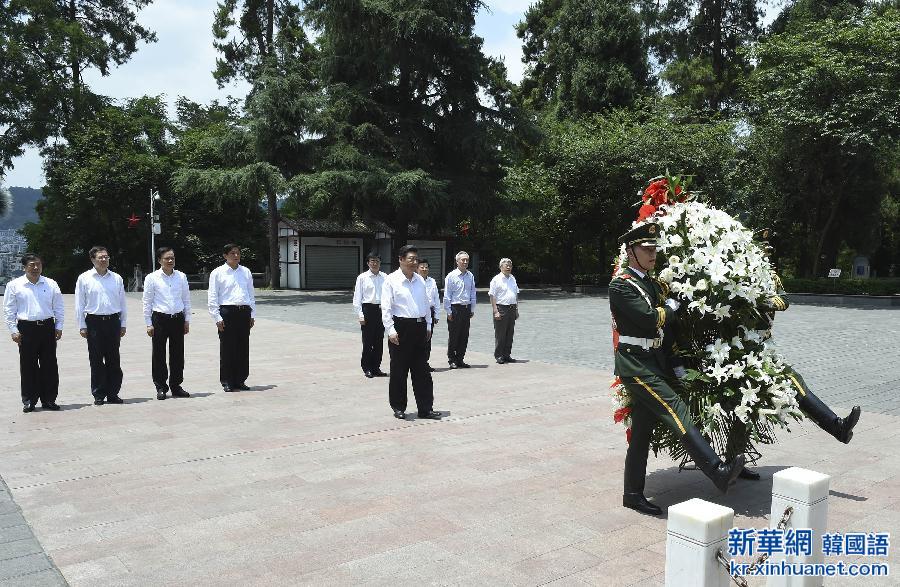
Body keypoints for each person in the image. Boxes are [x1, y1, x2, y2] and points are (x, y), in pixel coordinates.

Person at [610, 223, 744, 515]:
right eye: (646, 249)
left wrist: (676, 361)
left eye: (654, 248)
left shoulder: (650, 282)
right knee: (676, 409)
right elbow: (648, 319)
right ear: (631, 252)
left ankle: (632, 494)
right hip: (635, 365)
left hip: (653, 363)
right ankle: (717, 469)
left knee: (642, 432)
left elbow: (666, 325)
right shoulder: (621, 284)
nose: (652, 253)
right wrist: (670, 308)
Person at [729, 229, 861, 480]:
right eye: (761, 253)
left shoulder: (771, 277)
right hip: (740, 351)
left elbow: (783, 300)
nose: (765, 258)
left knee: (792, 387)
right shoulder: (739, 276)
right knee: (744, 407)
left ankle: (838, 427)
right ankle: (732, 463)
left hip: (763, 349)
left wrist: (767, 301)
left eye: (768, 254)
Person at [381, 245, 442, 421]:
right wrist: (390, 330)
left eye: (416, 259)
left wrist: (429, 325)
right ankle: (399, 407)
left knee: (422, 371)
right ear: (401, 259)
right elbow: (386, 307)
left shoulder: (420, 281)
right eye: (411, 259)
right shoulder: (391, 280)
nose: (415, 262)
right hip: (401, 328)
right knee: (399, 371)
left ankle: (425, 409)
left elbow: (426, 304)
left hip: (420, 327)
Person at [3, 253, 65, 412]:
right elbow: (9, 310)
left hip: (47, 327)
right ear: (24, 267)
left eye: (38, 264)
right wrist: (13, 330)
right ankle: (29, 400)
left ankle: (49, 399)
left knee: (49, 364)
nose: (36, 267)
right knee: (28, 366)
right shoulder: (14, 285)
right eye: (32, 264)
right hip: (26, 328)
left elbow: (58, 307)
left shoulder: (50, 284)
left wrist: (59, 326)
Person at [75, 246, 127, 405]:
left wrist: (123, 323)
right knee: (96, 360)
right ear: (92, 259)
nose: (104, 260)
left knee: (113, 359)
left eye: (106, 257)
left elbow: (122, 302)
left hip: (113, 322)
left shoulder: (116, 278)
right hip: (94, 322)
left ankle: (113, 393)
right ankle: (98, 394)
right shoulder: (84, 278)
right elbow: (79, 304)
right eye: (100, 257)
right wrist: (82, 325)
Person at [142, 246, 192, 400]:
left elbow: (186, 299)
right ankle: (161, 387)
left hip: (177, 318)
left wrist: (187, 319)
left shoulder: (181, 277)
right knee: (158, 354)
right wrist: (148, 323)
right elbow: (147, 302)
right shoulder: (152, 278)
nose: (170, 261)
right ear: (159, 260)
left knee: (178, 354)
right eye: (167, 258)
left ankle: (176, 386)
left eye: (172, 258)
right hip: (160, 319)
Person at [208, 244, 256, 392]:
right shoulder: (218, 273)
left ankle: (240, 380)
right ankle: (227, 381)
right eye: (232, 253)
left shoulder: (246, 271)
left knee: (243, 347)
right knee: (228, 348)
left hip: (244, 311)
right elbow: (212, 296)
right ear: (225, 255)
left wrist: (252, 314)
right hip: (227, 312)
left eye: (238, 253)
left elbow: (251, 294)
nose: (236, 256)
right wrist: (216, 317)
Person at [352, 252, 387, 378]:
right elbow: (357, 298)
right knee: (368, 342)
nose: (374, 263)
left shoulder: (385, 277)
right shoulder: (362, 277)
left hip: (381, 311)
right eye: (372, 261)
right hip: (368, 310)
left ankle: (376, 367)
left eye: (377, 260)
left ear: (380, 262)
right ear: (368, 263)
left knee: (379, 342)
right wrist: (360, 315)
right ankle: (366, 367)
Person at [443, 251, 476, 369]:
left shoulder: (470, 275)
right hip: (455, 308)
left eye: (467, 260)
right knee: (454, 335)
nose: (465, 262)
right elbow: (447, 295)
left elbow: (473, 292)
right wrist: (448, 311)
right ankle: (452, 359)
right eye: (463, 260)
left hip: (466, 308)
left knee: (464, 335)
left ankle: (460, 359)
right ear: (457, 261)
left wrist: (472, 308)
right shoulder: (451, 276)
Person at [489, 258, 519, 364]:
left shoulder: (512, 278)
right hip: (501, 308)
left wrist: (516, 309)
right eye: (506, 265)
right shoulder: (496, 279)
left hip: (512, 308)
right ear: (500, 267)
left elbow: (515, 295)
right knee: (500, 334)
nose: (508, 267)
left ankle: (507, 354)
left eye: (510, 266)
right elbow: (492, 296)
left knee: (510, 333)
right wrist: (495, 311)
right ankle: (499, 355)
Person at [417, 258, 440, 372]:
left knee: (428, 338)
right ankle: (417, 363)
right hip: (418, 312)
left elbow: (436, 298)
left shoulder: (432, 281)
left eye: (426, 267)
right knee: (417, 339)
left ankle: (425, 363)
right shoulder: (414, 280)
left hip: (430, 312)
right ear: (417, 268)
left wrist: (437, 314)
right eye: (422, 267)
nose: (424, 269)